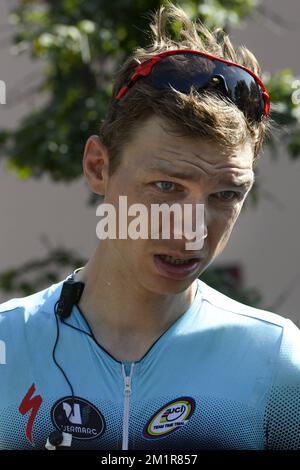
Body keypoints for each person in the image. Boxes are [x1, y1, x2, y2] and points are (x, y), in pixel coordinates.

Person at [0, 1, 299, 451]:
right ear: (98, 167)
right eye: (166, 185)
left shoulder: (277, 361)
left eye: (226, 194)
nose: (192, 231)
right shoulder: (9, 346)